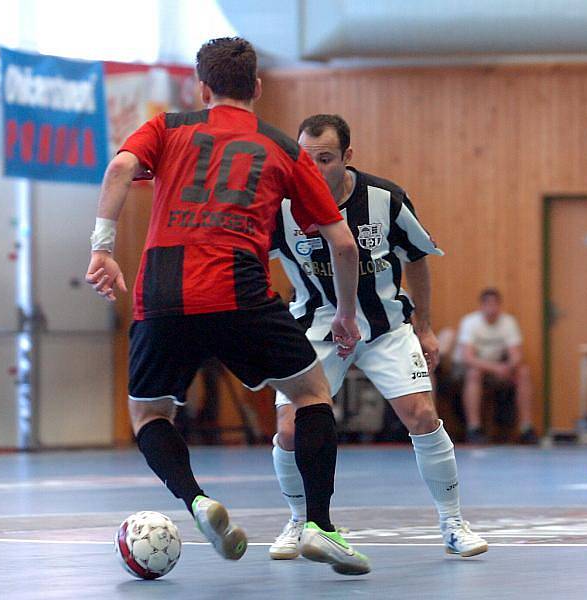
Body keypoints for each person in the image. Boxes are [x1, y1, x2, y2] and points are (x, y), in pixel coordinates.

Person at [84, 38, 371, 575]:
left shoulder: (169, 127)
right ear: (257, 89)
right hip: (238, 288)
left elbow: (119, 170)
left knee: (148, 414)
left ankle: (196, 500)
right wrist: (347, 315)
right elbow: (345, 243)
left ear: (203, 87)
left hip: (162, 289)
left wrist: (103, 248)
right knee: (311, 393)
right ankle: (319, 527)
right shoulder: (282, 147)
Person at [266, 114, 488, 561]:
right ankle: (298, 520)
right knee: (290, 429)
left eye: (325, 159)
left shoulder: (385, 198)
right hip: (317, 328)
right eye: (306, 161)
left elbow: (419, 257)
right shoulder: (281, 206)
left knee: (422, 415)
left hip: (384, 327)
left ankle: (452, 522)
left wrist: (423, 325)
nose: (314, 170)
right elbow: (249, 260)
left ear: (347, 157)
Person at [456, 289, 538, 444]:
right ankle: (474, 428)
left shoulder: (508, 322)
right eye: (488, 304)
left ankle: (526, 428)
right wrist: (495, 368)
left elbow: (516, 355)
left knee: (524, 372)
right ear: (481, 306)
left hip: (499, 367)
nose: (492, 308)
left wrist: (508, 366)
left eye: (495, 304)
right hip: (473, 368)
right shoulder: (470, 322)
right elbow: (468, 357)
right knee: (474, 374)